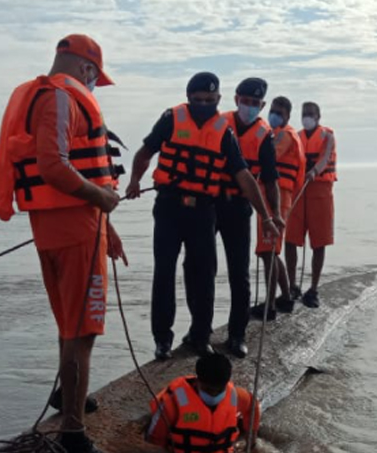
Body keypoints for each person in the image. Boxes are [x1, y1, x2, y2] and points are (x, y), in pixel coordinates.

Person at [0, 34, 126, 453]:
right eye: (94, 76)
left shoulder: (44, 96)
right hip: (77, 228)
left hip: (63, 226)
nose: (93, 83)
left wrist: (110, 227)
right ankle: (72, 436)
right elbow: (54, 165)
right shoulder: (62, 97)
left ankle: (68, 399)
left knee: (72, 324)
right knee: (82, 332)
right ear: (86, 67)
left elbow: (70, 170)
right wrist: (101, 200)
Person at [126, 72, 285, 361]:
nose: (203, 105)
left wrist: (267, 216)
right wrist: (134, 181)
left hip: (207, 209)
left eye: (210, 101)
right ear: (188, 98)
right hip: (170, 206)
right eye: (198, 100)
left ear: (219, 100)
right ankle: (163, 339)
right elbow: (145, 151)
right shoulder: (171, 118)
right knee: (166, 272)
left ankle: (209, 335)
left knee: (211, 274)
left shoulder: (224, 132)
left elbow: (246, 176)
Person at [215, 77, 280, 358]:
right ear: (236, 99)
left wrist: (274, 215)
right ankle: (198, 330)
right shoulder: (218, 124)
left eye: (256, 104)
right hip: (211, 203)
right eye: (246, 101)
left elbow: (270, 179)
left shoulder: (265, 135)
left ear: (262, 105)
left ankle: (237, 335)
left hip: (240, 206)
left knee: (239, 274)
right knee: (200, 267)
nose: (250, 107)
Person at [144, 353, 261, 453]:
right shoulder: (173, 401)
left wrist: (251, 443)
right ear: (197, 381)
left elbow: (252, 407)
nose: (214, 395)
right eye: (208, 390)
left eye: (219, 390)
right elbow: (154, 440)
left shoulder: (236, 396)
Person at [251, 95, 306, 322]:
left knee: (268, 251)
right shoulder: (280, 133)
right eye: (272, 110)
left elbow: (267, 156)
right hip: (271, 194)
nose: (274, 115)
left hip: (277, 196)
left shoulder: (283, 136)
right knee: (270, 251)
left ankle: (270, 306)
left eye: (279, 113)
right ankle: (285, 296)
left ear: (287, 116)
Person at [285, 101, 336, 309]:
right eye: (304, 113)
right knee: (290, 240)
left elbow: (325, 158)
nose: (307, 117)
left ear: (318, 116)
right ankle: (292, 286)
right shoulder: (296, 137)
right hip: (298, 192)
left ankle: (313, 288)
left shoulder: (327, 136)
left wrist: (314, 172)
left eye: (311, 114)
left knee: (319, 242)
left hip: (320, 192)